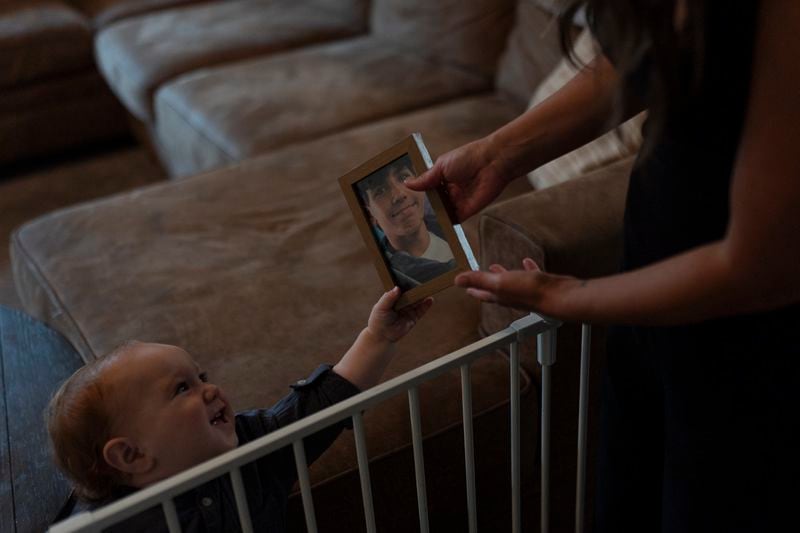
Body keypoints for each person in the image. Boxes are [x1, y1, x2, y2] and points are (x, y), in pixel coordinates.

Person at [406, 1, 799, 531]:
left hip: (742, 353)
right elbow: (642, 60)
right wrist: (499, 154)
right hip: (648, 304)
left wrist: (563, 297)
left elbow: (758, 268)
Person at [47, 287, 432, 532]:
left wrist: (378, 337)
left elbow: (320, 404)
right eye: (182, 388)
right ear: (132, 454)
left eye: (201, 376)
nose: (211, 390)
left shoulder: (254, 449)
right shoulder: (101, 525)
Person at [357, 155, 455, 290]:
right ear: (370, 215)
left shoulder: (451, 224)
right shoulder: (391, 278)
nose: (399, 194)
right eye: (380, 191)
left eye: (403, 177)